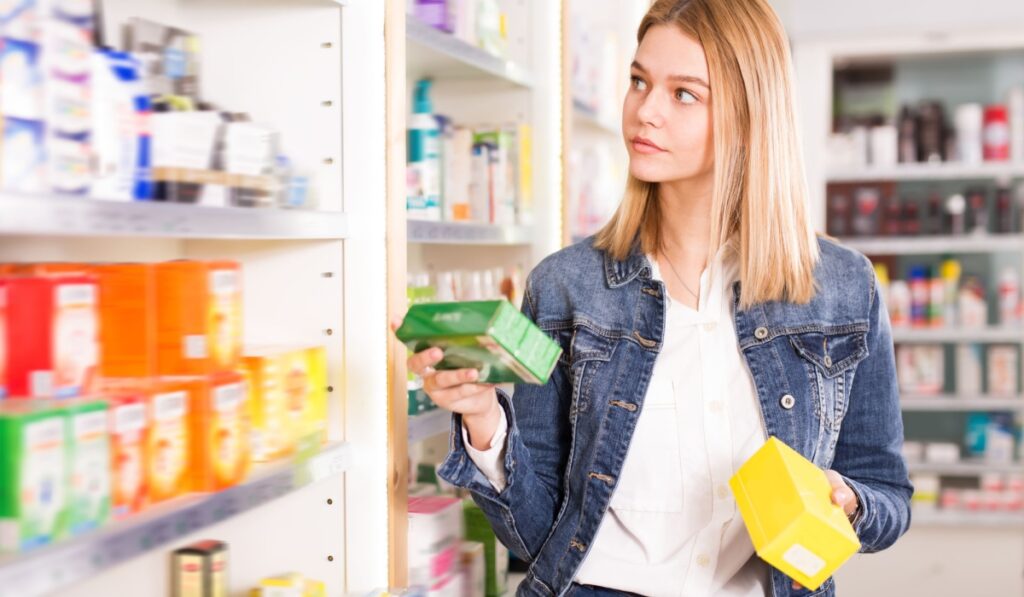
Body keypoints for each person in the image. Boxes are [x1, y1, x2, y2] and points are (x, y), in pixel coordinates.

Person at [398, 1, 912, 595]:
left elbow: (887, 493)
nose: (645, 111)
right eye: (639, 82)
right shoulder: (566, 287)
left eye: (684, 94)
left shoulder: (842, 288)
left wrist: (846, 502)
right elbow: (537, 535)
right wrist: (483, 419)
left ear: (752, 115)